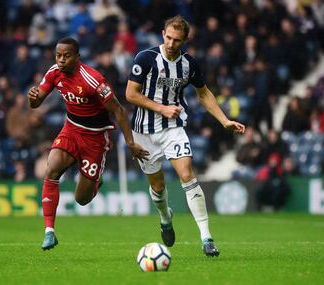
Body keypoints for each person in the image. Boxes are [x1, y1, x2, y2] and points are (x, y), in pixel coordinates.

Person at [125, 16, 245, 257]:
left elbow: (204, 94)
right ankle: (165, 217)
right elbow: (130, 94)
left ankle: (206, 237)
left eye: (176, 40)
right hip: (144, 132)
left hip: (173, 128)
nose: (171, 43)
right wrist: (161, 108)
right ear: (162, 34)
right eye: (168, 37)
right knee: (157, 186)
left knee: (187, 175)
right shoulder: (145, 58)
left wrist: (224, 120)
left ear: (184, 40)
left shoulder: (189, 64)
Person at [27, 37, 149, 250]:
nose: (61, 60)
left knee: (81, 199)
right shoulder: (54, 72)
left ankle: (95, 181)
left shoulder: (92, 80)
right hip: (71, 129)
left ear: (77, 57)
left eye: (66, 56)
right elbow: (36, 103)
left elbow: (119, 110)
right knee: (52, 169)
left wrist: (130, 142)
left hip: (95, 138)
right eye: (58, 55)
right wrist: (33, 98)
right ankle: (49, 232)